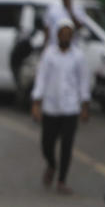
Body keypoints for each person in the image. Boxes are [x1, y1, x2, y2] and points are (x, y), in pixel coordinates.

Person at [31, 18, 91, 194]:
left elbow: (83, 82)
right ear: (57, 35)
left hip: (70, 108)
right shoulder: (49, 54)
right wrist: (36, 103)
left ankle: (62, 180)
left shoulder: (78, 56)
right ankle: (51, 164)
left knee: (67, 145)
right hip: (51, 107)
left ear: (72, 36)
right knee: (46, 143)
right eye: (62, 33)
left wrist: (85, 106)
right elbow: (41, 79)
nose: (65, 36)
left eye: (68, 33)